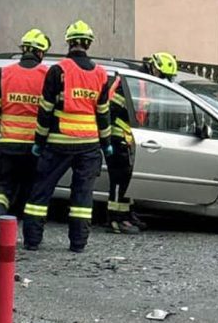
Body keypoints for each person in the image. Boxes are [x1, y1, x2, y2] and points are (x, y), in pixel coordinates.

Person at [23, 20, 114, 253]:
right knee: (83, 196)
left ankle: (32, 240)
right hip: (89, 145)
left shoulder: (58, 71)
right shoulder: (100, 74)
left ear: (69, 42)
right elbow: (103, 114)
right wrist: (107, 143)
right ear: (89, 44)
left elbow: (45, 111)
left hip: (58, 143)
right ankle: (78, 244)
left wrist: (39, 142)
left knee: (41, 190)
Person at [0, 28, 51, 245]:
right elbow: (51, 110)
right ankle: (28, 237)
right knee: (33, 189)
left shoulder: (5, 73)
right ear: (41, 52)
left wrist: (1, 127)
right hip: (34, 146)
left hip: (8, 142)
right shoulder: (46, 75)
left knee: (3, 186)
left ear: (23, 49)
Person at [105, 72, 141, 234]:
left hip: (126, 139)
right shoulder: (126, 87)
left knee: (127, 178)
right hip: (117, 138)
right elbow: (111, 111)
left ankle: (126, 214)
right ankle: (116, 219)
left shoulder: (139, 85)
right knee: (119, 179)